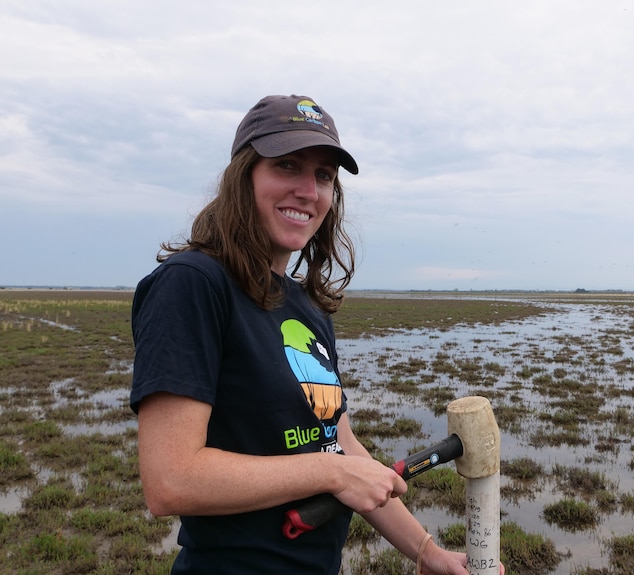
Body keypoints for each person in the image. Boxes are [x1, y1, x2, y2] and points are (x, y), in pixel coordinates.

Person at [130, 95, 502, 575]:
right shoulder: (194, 284)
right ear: (244, 177)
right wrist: (332, 473)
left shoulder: (304, 307)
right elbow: (171, 479)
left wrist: (426, 552)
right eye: (287, 166)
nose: (309, 189)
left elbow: (340, 445)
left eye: (324, 175)